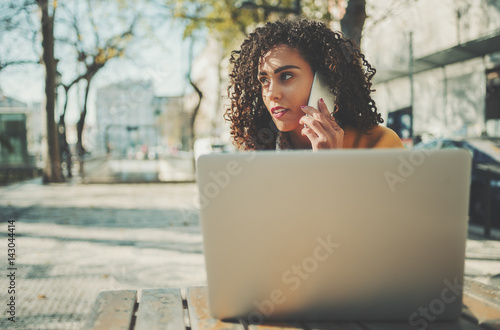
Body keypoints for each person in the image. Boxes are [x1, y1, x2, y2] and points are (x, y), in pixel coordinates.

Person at [224, 18, 404, 151]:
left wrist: (330, 165)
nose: (271, 94)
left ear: (325, 80)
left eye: (286, 76)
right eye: (264, 80)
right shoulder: (254, 151)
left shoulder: (379, 143)